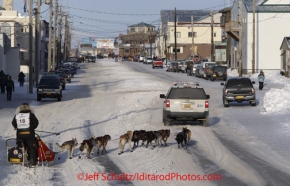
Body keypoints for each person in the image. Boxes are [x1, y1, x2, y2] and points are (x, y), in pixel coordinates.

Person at [12, 103, 39, 167]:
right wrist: (31, 128)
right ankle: (32, 162)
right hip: (30, 135)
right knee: (31, 148)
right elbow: (36, 124)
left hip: (19, 135)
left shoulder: (17, 116)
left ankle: (20, 160)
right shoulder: (31, 115)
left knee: (20, 147)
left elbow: (14, 124)